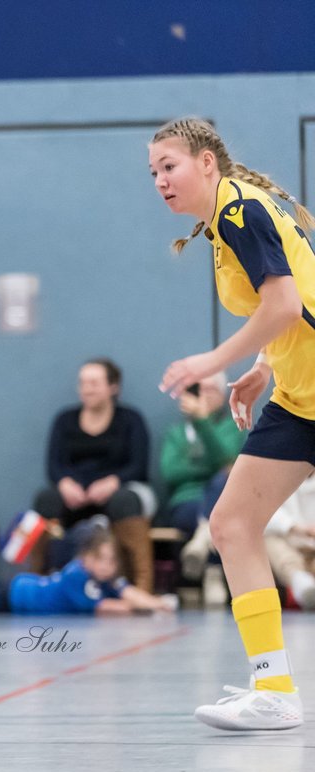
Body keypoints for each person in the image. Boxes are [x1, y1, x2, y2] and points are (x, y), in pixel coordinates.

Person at [151, 116, 315, 729]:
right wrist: (263, 366)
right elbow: (293, 304)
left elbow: (286, 302)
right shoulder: (222, 222)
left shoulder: (242, 212)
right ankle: (274, 689)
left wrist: (215, 363)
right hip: (302, 399)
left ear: (208, 164)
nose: (161, 180)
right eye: (154, 173)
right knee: (233, 522)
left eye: (170, 166)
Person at [31, 358, 155, 590]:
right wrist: (64, 483)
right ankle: (37, 581)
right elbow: (53, 466)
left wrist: (113, 482)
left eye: (94, 383)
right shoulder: (64, 420)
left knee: (126, 500)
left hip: (121, 491)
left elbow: (139, 466)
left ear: (113, 387)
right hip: (76, 496)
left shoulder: (131, 420)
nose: (87, 389)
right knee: (46, 499)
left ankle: (142, 585)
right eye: (83, 383)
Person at [0, 528, 175, 615]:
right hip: (18, 595)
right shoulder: (78, 576)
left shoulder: (101, 578)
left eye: (112, 561)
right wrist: (142, 609)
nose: (108, 566)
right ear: (85, 558)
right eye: (101, 560)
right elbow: (106, 607)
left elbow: (128, 591)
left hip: (21, 587)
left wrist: (157, 603)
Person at [157, 372, 244, 580]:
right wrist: (211, 466)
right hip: (187, 500)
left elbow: (228, 460)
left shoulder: (233, 426)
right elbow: (170, 472)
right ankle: (213, 573)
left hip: (225, 499)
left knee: (222, 507)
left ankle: (203, 550)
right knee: (209, 516)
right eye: (198, 389)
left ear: (223, 396)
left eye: (210, 389)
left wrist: (203, 422)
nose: (203, 394)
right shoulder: (177, 433)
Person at [263, 473, 315, 611]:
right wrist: (294, 527)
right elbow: (265, 514)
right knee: (269, 540)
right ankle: (302, 584)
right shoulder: (279, 476)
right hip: (291, 546)